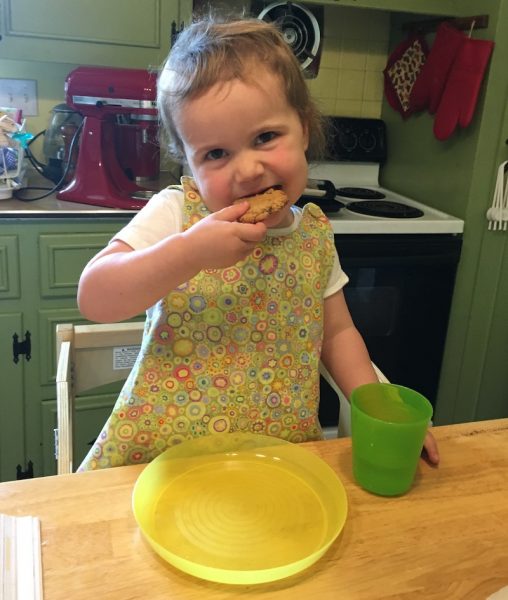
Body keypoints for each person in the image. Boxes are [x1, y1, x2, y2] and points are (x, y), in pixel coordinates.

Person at [77, 15, 439, 470]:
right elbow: (96, 297)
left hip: (275, 458)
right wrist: (189, 252)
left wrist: (381, 406)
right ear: (187, 162)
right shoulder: (178, 213)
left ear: (303, 128)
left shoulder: (313, 236)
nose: (247, 170)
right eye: (216, 153)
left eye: (265, 137)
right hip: (164, 463)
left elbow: (338, 333)